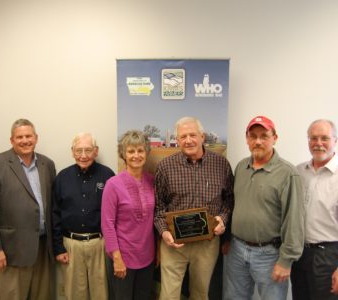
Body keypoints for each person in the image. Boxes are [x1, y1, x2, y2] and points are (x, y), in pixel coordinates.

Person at [224, 116, 304, 300]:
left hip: (269, 255)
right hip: (236, 250)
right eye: (253, 136)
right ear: (247, 138)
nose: (258, 141)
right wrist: (227, 238)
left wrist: (286, 261)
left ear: (275, 138)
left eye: (264, 136)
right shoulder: (241, 167)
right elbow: (235, 205)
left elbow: (294, 220)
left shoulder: (288, 173)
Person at [154, 116, 234, 300]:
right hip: (174, 243)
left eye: (192, 135)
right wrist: (164, 232)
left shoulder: (221, 164)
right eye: (183, 136)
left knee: (200, 294)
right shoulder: (166, 167)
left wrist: (223, 218)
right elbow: (158, 207)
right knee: (168, 296)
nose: (188, 140)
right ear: (177, 139)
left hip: (207, 244)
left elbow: (229, 200)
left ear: (202, 136)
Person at [0, 119, 56, 300]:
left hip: (42, 248)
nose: (25, 140)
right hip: (11, 251)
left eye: (28, 136)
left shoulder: (47, 165)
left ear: (36, 138)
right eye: (19, 137)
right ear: (11, 140)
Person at [52, 132, 115, 300]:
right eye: (79, 150)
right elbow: (55, 214)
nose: (83, 155)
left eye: (88, 150)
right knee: (74, 294)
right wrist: (58, 248)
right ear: (72, 151)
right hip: (71, 246)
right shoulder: (62, 177)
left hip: (99, 244)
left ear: (96, 151)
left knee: (101, 293)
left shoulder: (108, 176)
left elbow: (116, 213)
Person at [101, 130, 155, 300]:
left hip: (148, 257)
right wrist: (117, 258)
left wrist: (158, 252)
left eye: (140, 150)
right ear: (123, 154)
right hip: (122, 258)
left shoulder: (152, 181)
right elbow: (107, 224)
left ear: (146, 152)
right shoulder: (113, 184)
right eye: (131, 151)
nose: (136, 155)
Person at [291, 119, 338, 300]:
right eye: (313, 138)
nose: (318, 143)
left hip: (329, 256)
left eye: (324, 138)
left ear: (335, 140)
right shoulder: (298, 171)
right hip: (300, 254)